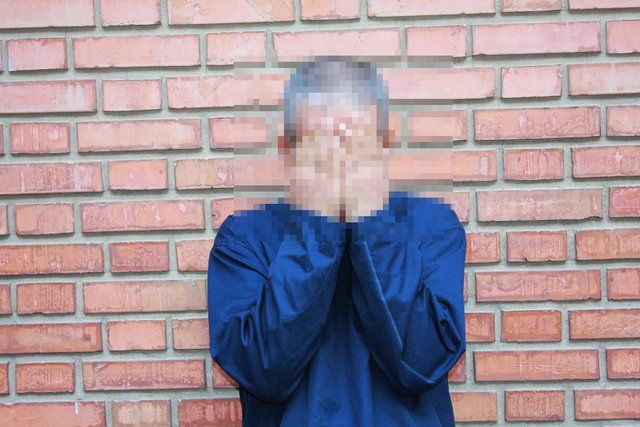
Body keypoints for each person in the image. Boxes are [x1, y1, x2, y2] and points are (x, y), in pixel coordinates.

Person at [207, 56, 467, 426]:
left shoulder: (432, 226)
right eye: (322, 147)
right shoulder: (244, 239)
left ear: (385, 144)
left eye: (356, 145)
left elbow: (422, 364)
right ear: (288, 150)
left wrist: (372, 220)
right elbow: (263, 371)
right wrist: (320, 222)